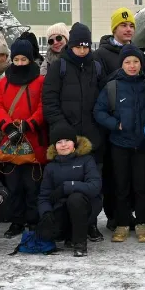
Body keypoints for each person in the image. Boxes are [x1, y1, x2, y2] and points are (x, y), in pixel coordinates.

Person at [41, 22, 105, 241]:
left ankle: (91, 224)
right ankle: (64, 223)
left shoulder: (95, 67)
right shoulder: (59, 67)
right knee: (64, 183)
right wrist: (62, 129)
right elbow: (49, 101)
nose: (82, 50)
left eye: (86, 46)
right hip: (66, 139)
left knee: (92, 183)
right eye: (78, 46)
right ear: (71, 46)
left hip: (91, 137)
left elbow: (103, 99)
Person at [93, 44, 145, 243]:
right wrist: (115, 124)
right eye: (128, 62)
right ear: (121, 64)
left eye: (136, 61)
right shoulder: (113, 86)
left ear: (141, 64)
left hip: (142, 145)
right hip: (119, 144)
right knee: (121, 186)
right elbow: (99, 111)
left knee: (141, 186)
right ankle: (122, 223)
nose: (132, 65)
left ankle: (142, 223)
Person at [0, 38, 47, 237]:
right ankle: (16, 220)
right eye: (17, 59)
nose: (21, 63)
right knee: (13, 186)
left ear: (31, 59)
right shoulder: (3, 83)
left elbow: (43, 105)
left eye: (24, 59)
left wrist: (30, 123)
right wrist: (7, 126)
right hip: (11, 140)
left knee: (33, 186)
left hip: (33, 140)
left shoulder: (40, 81)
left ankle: (33, 220)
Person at [37, 124, 103, 257]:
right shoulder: (51, 167)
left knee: (75, 198)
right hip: (62, 210)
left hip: (85, 207)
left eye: (67, 140)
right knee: (46, 233)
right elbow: (44, 196)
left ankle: (80, 244)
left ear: (74, 143)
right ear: (54, 146)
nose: (63, 145)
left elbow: (95, 186)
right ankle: (68, 235)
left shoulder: (87, 160)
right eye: (59, 142)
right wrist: (46, 213)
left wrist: (66, 187)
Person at [96, 8, 138, 77]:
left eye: (131, 26)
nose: (129, 29)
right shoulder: (100, 55)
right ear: (114, 29)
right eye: (124, 25)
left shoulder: (138, 53)